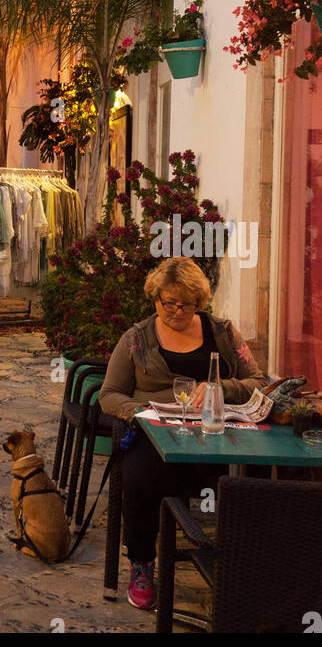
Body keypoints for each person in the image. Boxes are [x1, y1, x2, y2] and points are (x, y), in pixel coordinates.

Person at [99, 256, 267, 610]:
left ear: (199, 302)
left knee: (254, 475)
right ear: (155, 299)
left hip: (214, 433)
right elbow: (110, 394)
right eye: (168, 303)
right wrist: (141, 413)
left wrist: (221, 388)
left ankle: (244, 565)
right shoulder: (137, 338)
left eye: (185, 304)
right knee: (140, 477)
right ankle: (143, 563)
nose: (176, 311)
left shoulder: (222, 332)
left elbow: (258, 382)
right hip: (155, 434)